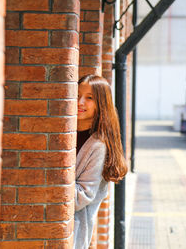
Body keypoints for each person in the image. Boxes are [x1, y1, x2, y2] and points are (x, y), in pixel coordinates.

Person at [74, 74, 128, 249]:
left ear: (101, 104)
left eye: (89, 98)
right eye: (77, 95)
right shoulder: (62, 133)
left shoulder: (98, 146)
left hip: (73, 234)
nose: (80, 102)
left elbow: (81, 196)